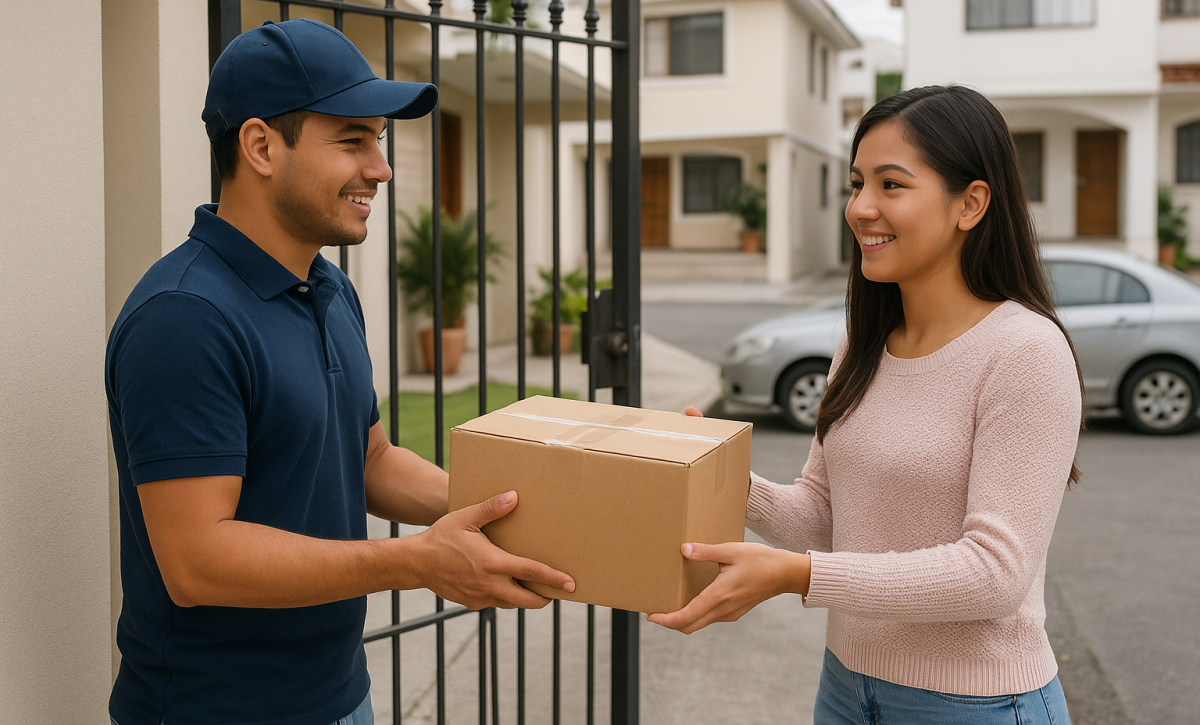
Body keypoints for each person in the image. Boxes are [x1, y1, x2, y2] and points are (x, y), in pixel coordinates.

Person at [105, 19, 573, 725]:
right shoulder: (183, 317)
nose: (380, 169)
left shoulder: (328, 287)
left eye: (378, 141)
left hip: (342, 696)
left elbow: (370, 459)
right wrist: (417, 561)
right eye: (352, 140)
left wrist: (495, 512)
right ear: (261, 146)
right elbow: (197, 560)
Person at [650, 85, 1084, 724]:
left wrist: (798, 575)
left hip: (978, 704)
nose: (860, 208)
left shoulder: (1025, 351)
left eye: (891, 185)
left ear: (971, 203)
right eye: (857, 184)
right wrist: (718, 474)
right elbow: (826, 518)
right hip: (847, 689)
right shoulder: (862, 343)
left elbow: (996, 574)